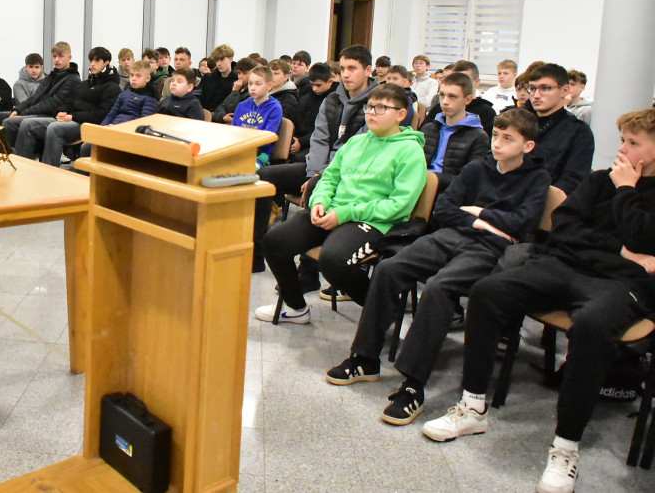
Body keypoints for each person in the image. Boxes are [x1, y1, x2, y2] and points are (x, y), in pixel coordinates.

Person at [421, 108, 655, 493]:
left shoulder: (629, 187)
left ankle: (565, 448)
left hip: (618, 285)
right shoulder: (600, 181)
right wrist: (622, 251)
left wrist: (627, 191)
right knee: (487, 291)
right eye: (623, 140)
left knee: (593, 326)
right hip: (567, 265)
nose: (622, 150)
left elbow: (643, 236)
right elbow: (564, 227)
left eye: (633, 143)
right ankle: (473, 404)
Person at [327, 108, 549, 426]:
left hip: (489, 248)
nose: (497, 144)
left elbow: (524, 222)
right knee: (390, 268)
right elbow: (444, 209)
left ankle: (413, 386)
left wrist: (476, 215)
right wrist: (481, 218)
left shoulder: (537, 178)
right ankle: (365, 359)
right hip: (452, 235)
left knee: (440, 287)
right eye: (496, 136)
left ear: (527, 146)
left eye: (507, 138)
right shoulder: (477, 167)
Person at [254, 83, 427, 322]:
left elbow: (399, 204)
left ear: (400, 114)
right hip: (334, 212)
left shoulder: (411, 151)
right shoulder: (357, 143)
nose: (372, 112)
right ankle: (296, 308)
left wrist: (344, 214)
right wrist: (319, 202)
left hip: (374, 222)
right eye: (370, 106)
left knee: (333, 262)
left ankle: (382, 311)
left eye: (381, 108)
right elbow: (329, 177)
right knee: (274, 242)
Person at [251, 46, 378, 276]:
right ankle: (256, 255)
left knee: (316, 188)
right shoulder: (332, 100)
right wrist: (314, 173)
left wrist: (321, 177)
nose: (346, 74)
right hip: (319, 170)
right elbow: (319, 139)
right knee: (264, 177)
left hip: (348, 174)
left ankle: (308, 273)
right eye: (343, 68)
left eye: (353, 68)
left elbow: (356, 150)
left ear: (368, 70)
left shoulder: (378, 104)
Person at [21, 47, 121, 166]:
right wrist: (61, 111)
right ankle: (22, 165)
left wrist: (73, 117)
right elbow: (71, 102)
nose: (92, 64)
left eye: (97, 61)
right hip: (71, 119)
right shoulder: (85, 84)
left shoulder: (112, 87)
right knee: (28, 124)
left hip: (89, 125)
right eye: (91, 61)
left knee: (54, 128)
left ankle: (49, 169)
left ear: (106, 63)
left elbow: (101, 115)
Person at [527, 63, 595, 201]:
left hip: (545, 204)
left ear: (565, 90)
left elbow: (571, 183)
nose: (536, 95)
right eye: (532, 89)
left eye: (545, 88)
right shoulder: (519, 123)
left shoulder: (579, 132)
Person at [420, 72, 491, 193]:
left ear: (468, 99)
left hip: (449, 192)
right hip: (419, 186)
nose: (445, 102)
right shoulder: (428, 129)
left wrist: (432, 178)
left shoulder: (478, 136)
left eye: (452, 96)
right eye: (442, 95)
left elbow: (470, 179)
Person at [2, 42, 80, 149]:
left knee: (11, 122)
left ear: (69, 57)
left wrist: (24, 113)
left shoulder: (72, 79)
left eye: (60, 56)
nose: (57, 59)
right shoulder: (52, 76)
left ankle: (16, 160)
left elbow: (51, 104)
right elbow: (34, 98)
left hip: (51, 115)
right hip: (39, 112)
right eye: (54, 56)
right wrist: (18, 110)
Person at [79, 61, 160, 158]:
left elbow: (143, 124)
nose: (133, 79)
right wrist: (102, 128)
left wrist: (118, 128)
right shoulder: (125, 94)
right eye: (131, 75)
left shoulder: (150, 98)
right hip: (113, 129)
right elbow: (112, 113)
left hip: (128, 136)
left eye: (138, 76)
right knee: (86, 147)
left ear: (147, 78)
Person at [232, 65, 283, 170]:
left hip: (261, 154)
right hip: (239, 151)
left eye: (258, 84)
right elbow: (233, 131)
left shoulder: (274, 108)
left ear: (270, 85)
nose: (252, 88)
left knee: (244, 170)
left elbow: (268, 138)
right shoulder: (242, 106)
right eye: (250, 83)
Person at [425, 60, 496, 135]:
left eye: (464, 81)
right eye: (454, 80)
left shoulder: (486, 112)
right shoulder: (440, 109)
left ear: (477, 82)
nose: (457, 85)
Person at [213, 58, 256, 123]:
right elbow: (221, 107)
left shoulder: (253, 93)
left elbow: (234, 110)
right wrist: (223, 117)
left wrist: (235, 92)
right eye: (239, 73)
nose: (240, 76)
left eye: (245, 73)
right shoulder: (239, 88)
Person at [199, 44, 238, 113]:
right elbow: (199, 99)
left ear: (230, 59)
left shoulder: (238, 81)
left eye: (222, 59)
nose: (219, 64)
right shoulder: (207, 78)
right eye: (217, 61)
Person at [269, 58, 299, 124]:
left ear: (286, 77)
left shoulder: (289, 98)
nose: (271, 76)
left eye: (276, 73)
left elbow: (279, 123)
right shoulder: (266, 92)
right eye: (270, 73)